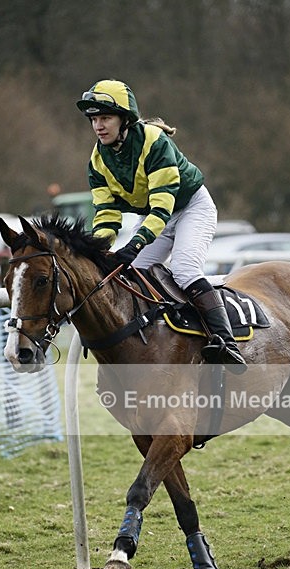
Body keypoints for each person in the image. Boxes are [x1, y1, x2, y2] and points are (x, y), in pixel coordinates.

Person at [76, 79, 246, 370]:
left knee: (184, 269)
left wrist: (135, 244)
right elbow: (106, 213)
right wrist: (99, 249)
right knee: (132, 275)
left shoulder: (154, 141)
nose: (98, 126)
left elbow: (162, 205)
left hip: (191, 207)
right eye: (93, 119)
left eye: (105, 118)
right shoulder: (97, 160)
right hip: (155, 217)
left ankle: (226, 342)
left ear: (124, 119)